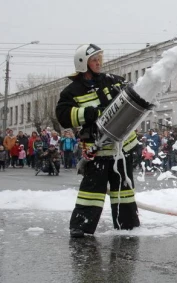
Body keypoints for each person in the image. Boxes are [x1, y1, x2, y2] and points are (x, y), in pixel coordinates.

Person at [56, 43, 140, 238]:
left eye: (99, 59)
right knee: (91, 191)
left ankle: (127, 225)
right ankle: (81, 226)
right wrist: (90, 113)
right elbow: (63, 115)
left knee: (124, 190)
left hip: (121, 148)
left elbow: (131, 96)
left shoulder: (112, 80)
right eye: (94, 60)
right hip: (97, 149)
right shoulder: (72, 91)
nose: (98, 63)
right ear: (83, 64)